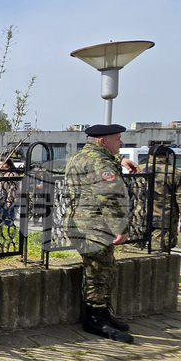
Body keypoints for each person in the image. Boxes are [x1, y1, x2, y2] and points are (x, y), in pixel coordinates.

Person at [63, 124, 140, 344]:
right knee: (98, 272)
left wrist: (121, 160)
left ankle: (102, 314)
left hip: (81, 222)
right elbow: (111, 196)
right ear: (102, 141)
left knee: (102, 267)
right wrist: (120, 228)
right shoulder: (101, 162)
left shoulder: (80, 157)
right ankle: (96, 319)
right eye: (117, 139)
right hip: (95, 225)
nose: (121, 143)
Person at [147, 145, 181, 251]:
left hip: (139, 220)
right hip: (163, 222)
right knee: (160, 254)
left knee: (138, 252)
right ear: (168, 157)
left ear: (150, 156)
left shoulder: (138, 170)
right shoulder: (176, 173)